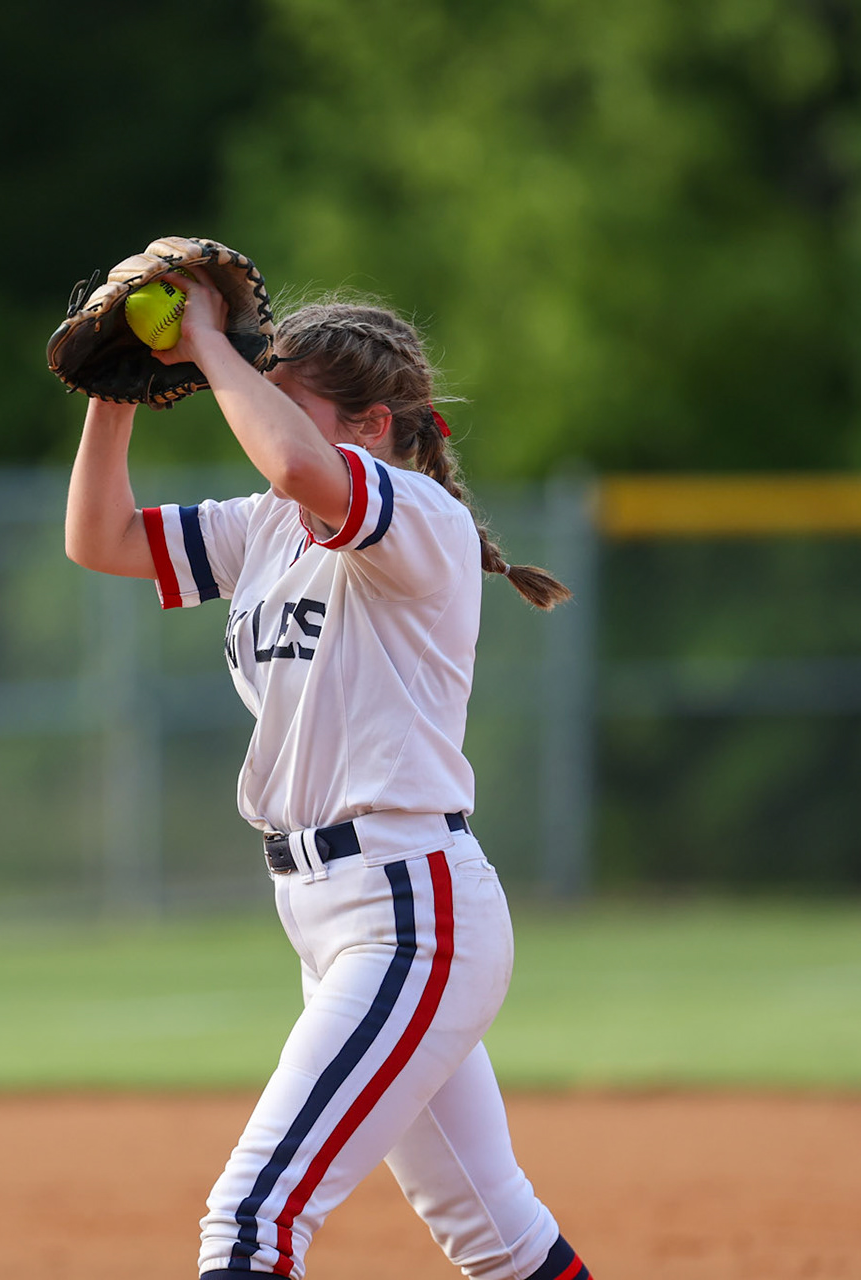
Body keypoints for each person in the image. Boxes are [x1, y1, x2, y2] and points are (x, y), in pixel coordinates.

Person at [63, 269, 591, 1280]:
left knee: (251, 1219)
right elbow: (101, 538)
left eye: (282, 397)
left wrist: (208, 342)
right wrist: (114, 391)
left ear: (374, 425)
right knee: (495, 1231)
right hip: (331, 914)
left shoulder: (417, 515)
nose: (251, 417)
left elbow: (299, 463)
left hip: (410, 910)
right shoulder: (267, 525)